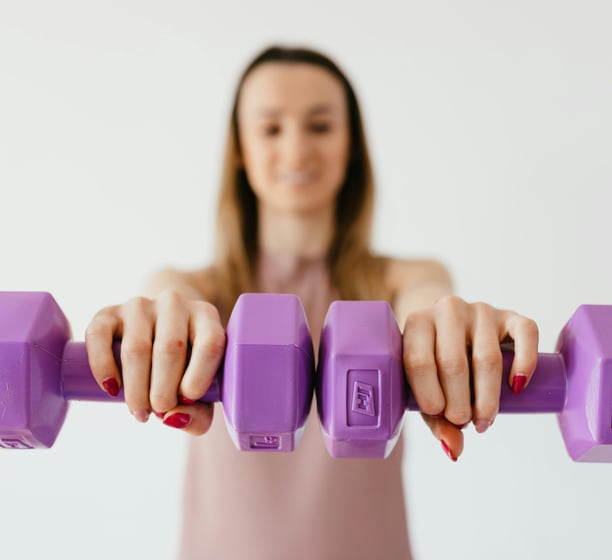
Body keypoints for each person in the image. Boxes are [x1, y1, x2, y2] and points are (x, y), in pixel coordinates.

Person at [85, 45, 539, 559]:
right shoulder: (195, 291)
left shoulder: (406, 281)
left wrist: (447, 329)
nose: (298, 150)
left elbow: (428, 308)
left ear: (351, 146)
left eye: (320, 126)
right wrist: (158, 323)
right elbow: (170, 302)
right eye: (271, 128)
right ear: (240, 150)